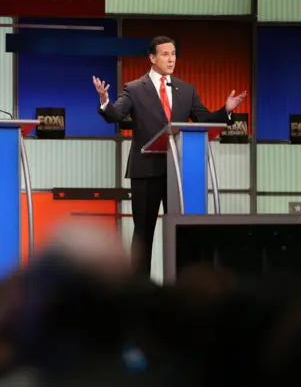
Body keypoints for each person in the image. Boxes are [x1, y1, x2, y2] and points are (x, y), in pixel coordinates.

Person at [92, 36, 247, 277]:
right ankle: (139, 292)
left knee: (182, 231)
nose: (171, 58)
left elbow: (204, 120)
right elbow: (115, 115)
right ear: (152, 58)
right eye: (165, 54)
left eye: (174, 53)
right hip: (145, 171)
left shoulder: (186, 89)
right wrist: (104, 100)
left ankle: (182, 286)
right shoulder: (134, 88)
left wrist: (225, 110)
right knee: (144, 232)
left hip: (177, 172)